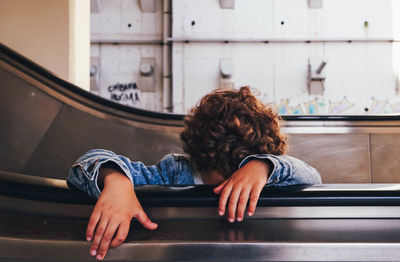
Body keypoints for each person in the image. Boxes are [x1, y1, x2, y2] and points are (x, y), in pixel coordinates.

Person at [67, 86, 321, 260]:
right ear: (201, 160)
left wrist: (264, 166)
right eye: (221, 177)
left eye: (239, 176)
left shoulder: (271, 177)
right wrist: (116, 181)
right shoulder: (175, 174)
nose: (231, 188)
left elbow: (312, 178)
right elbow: (84, 165)